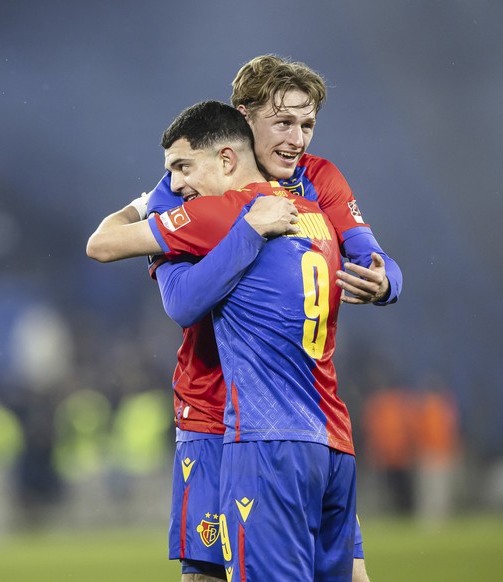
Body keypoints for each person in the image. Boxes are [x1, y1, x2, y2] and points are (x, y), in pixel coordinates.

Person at [88, 55, 398, 582]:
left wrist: (386, 281)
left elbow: (375, 260)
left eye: (307, 124)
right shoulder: (187, 181)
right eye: (283, 122)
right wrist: (160, 208)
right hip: (226, 415)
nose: (298, 139)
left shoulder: (311, 183)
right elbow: (176, 291)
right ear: (243, 118)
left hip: (264, 428)